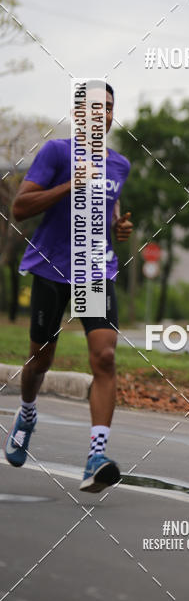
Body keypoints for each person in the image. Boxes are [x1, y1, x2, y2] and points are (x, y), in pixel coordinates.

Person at [4, 81, 133, 493]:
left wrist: (118, 225)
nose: (104, 115)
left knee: (106, 357)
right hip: (50, 268)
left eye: (110, 108)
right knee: (40, 360)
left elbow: (107, 203)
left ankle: (96, 455)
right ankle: (26, 412)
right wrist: (69, 185)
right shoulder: (56, 153)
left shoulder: (120, 165)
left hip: (94, 273)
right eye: (96, 108)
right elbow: (19, 208)